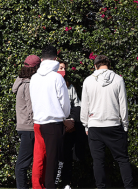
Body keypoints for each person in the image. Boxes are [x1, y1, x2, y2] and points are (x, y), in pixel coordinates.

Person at [81, 55, 133, 189]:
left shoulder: (88, 81)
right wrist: (125, 125)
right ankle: (129, 187)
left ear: (95, 66)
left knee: (98, 161)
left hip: (94, 125)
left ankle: (101, 187)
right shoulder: (118, 79)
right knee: (122, 159)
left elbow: (84, 106)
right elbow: (123, 105)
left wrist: (86, 124)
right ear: (109, 65)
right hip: (114, 124)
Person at [30, 45, 72, 189]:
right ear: (55, 59)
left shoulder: (34, 78)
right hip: (54, 123)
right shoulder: (57, 78)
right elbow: (65, 103)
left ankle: (37, 186)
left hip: (38, 122)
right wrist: (66, 117)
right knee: (55, 161)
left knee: (39, 159)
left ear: (42, 59)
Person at [55, 58, 84, 189]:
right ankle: (54, 181)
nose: (63, 71)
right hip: (56, 126)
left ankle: (66, 182)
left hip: (69, 128)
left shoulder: (69, 86)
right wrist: (63, 122)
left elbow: (77, 105)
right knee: (55, 156)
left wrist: (71, 121)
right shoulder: (49, 85)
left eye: (64, 68)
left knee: (67, 156)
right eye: (61, 68)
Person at [13, 55, 41, 189]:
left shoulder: (20, 81)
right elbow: (32, 108)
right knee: (23, 164)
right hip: (30, 128)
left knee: (25, 163)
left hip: (22, 126)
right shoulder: (29, 85)